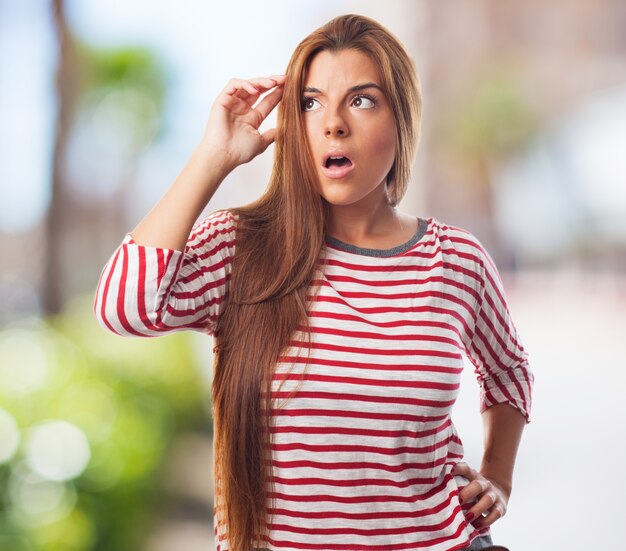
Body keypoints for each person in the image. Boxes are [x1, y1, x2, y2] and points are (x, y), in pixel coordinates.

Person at [94, 13, 533, 551]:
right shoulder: (240, 247)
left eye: (362, 100)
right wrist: (213, 160)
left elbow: (509, 370)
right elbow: (123, 308)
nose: (334, 123)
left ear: (402, 120)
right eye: (310, 102)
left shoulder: (457, 259)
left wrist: (499, 479)